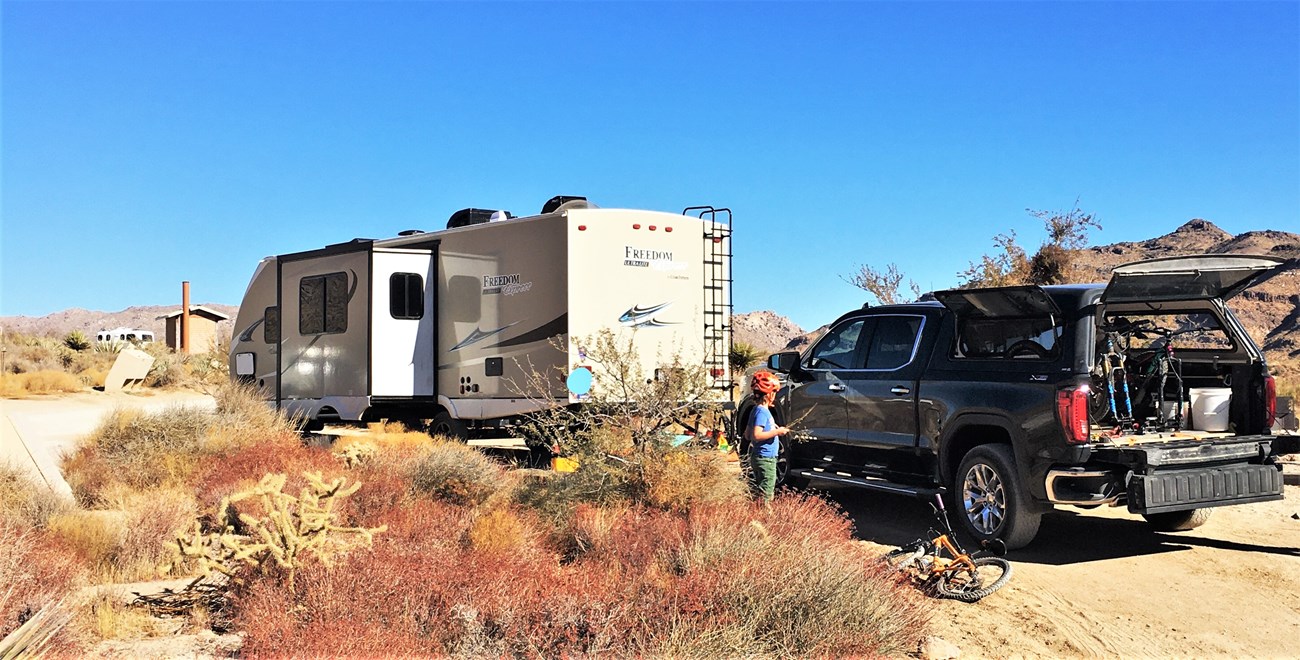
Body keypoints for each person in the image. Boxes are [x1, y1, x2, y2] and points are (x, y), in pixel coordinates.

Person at [746, 371, 790, 503]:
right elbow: (756, 435)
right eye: (774, 393)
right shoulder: (763, 412)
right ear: (769, 394)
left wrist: (772, 428)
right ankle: (765, 517)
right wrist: (778, 432)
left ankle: (757, 513)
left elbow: (747, 435)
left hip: (757, 458)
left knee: (759, 491)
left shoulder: (755, 410)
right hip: (767, 459)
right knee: (766, 493)